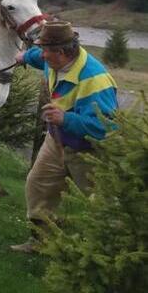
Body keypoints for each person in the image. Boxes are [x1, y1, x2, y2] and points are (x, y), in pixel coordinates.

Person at [10, 20, 118, 253]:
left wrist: (65, 119)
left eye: (46, 50)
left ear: (60, 52)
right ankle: (42, 241)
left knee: (102, 201)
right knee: (37, 185)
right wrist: (23, 58)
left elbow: (105, 127)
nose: (43, 54)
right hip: (56, 141)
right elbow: (37, 56)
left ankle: (111, 255)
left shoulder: (94, 79)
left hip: (88, 150)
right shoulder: (53, 60)